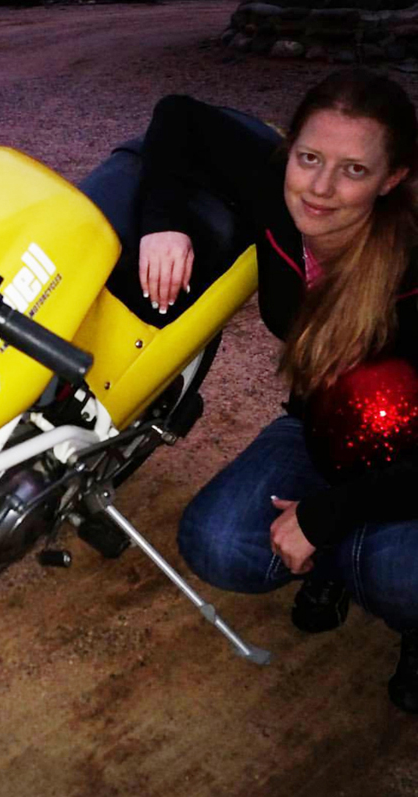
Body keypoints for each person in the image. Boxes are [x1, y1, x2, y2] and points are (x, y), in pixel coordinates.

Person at [138, 68, 418, 712]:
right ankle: (347, 558)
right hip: (317, 431)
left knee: (406, 577)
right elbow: (178, 110)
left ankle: (369, 573)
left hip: (408, 461)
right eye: (310, 157)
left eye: (354, 170)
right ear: (289, 148)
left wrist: (326, 514)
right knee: (216, 544)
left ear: (393, 179)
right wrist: (164, 221)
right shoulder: (274, 185)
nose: (319, 188)